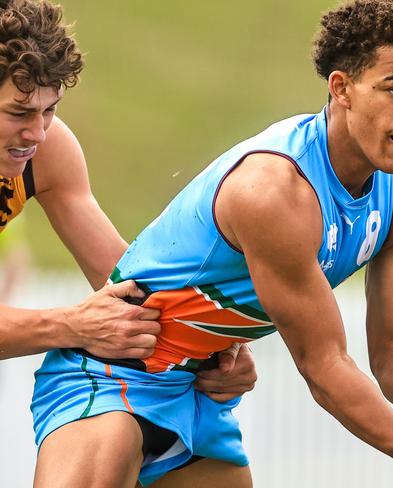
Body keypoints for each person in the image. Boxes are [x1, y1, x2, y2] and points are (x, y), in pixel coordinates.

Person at [32, 0, 393, 486]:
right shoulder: (275, 191)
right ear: (341, 88)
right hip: (108, 375)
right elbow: (323, 365)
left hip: (203, 389)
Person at [0, 0, 256, 473]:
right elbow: (84, 321)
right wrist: (70, 324)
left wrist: (214, 347)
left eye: (49, 110)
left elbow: (133, 287)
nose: (36, 132)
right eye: (19, 112)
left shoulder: (48, 151)